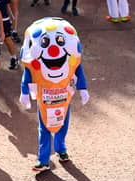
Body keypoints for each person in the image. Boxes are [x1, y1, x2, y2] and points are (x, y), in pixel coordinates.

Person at [19, 17, 90, 171]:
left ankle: (61, 149)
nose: (53, 49)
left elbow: (77, 70)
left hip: (64, 98)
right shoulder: (34, 60)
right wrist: (24, 92)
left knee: (62, 124)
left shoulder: (71, 58)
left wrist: (83, 89)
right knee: (44, 128)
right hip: (44, 100)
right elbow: (28, 73)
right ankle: (43, 160)